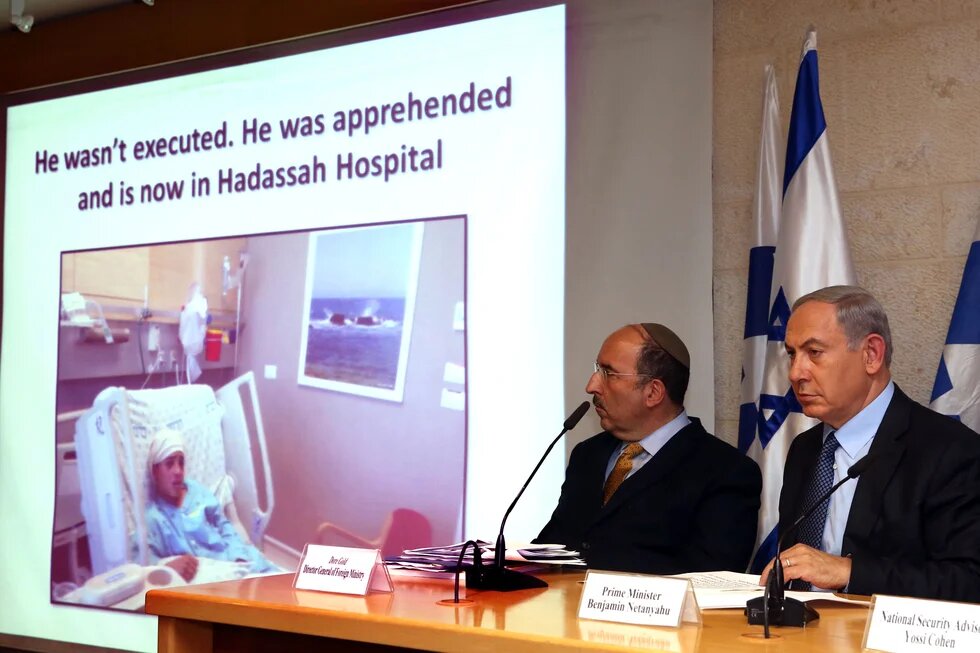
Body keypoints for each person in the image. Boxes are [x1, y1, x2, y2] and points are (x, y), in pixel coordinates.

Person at [760, 285, 980, 600]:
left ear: (871, 354)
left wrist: (849, 573)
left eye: (814, 352)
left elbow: (968, 580)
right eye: (792, 354)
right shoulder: (805, 449)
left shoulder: (950, 451)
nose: (795, 373)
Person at [536, 323, 762, 574]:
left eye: (608, 373)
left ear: (653, 392)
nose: (592, 385)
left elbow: (711, 578)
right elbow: (554, 546)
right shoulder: (587, 454)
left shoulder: (726, 472)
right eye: (596, 369)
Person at [145, 428, 279, 582]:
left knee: (286, 586)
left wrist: (238, 555)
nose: (178, 471)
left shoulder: (197, 492)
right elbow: (142, 565)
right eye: (169, 464)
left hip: (238, 560)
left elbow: (223, 525)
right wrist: (167, 567)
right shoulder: (153, 518)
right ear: (155, 471)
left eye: (181, 463)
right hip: (211, 579)